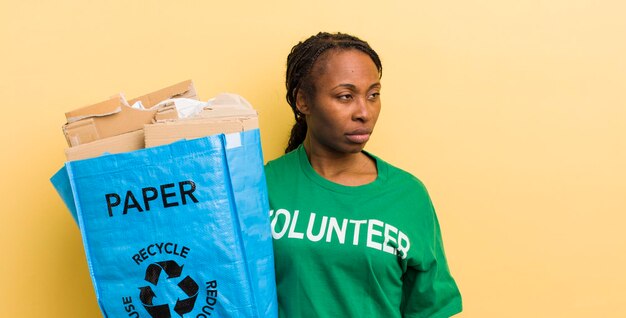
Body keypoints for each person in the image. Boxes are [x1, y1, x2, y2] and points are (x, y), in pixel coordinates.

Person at [264, 32, 462, 318]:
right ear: (303, 101)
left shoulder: (408, 195)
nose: (364, 112)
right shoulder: (262, 186)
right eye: (345, 96)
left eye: (373, 95)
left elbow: (430, 308)